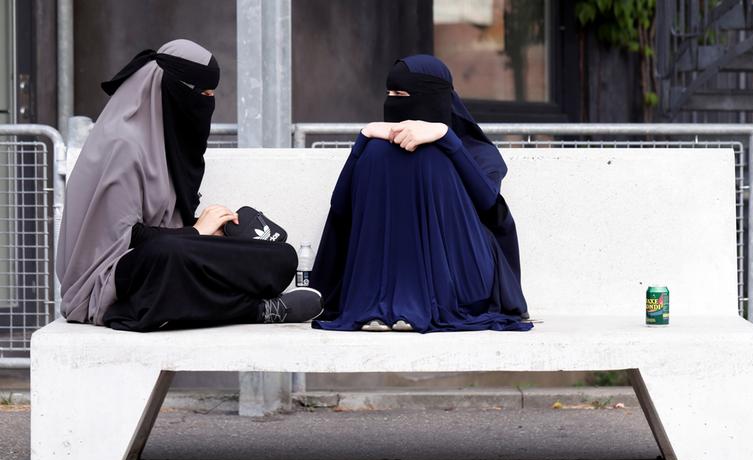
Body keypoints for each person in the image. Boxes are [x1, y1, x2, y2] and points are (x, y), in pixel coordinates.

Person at [57, 39, 321, 332]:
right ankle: (258, 309)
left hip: (166, 256)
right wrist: (196, 232)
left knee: (281, 257)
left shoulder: (164, 137)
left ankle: (229, 295)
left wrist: (211, 232)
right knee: (169, 257)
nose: (207, 103)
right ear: (172, 89)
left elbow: (168, 224)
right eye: (203, 94)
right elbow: (124, 238)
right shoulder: (123, 143)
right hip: (108, 280)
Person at [310, 55, 531, 333]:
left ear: (432, 96)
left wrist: (445, 136)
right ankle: (382, 305)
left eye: (401, 95)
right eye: (389, 94)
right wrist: (363, 140)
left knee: (430, 158)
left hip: (463, 273)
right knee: (379, 153)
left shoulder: (476, 150)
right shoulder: (379, 151)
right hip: (386, 270)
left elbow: (488, 202)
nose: (392, 102)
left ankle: (412, 304)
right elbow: (340, 209)